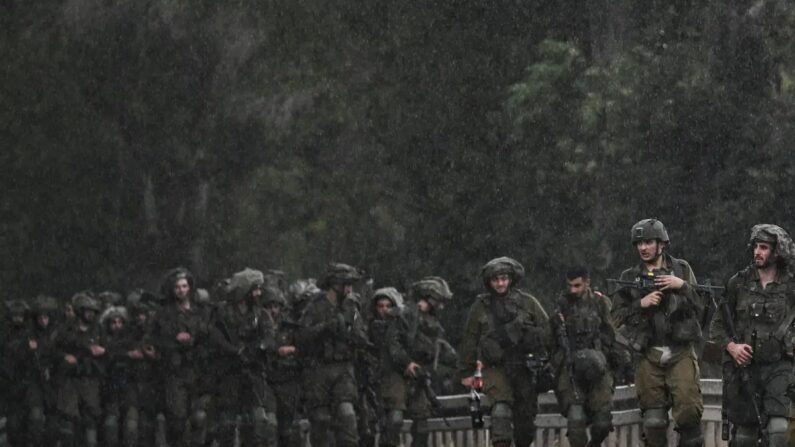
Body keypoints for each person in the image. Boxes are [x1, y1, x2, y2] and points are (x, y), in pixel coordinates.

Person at [611, 219, 704, 447]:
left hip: (680, 352)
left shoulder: (682, 269)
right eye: (639, 243)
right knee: (653, 423)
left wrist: (680, 285)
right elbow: (613, 319)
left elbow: (702, 306)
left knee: (690, 416)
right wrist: (640, 304)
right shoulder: (629, 277)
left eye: (649, 242)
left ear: (662, 244)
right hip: (648, 355)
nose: (643, 248)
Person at [710, 224, 795, 447]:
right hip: (745, 368)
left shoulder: (791, 286)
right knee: (745, 435)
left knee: (778, 430)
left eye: (764, 247)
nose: (758, 252)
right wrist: (732, 348)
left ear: (777, 252)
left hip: (779, 367)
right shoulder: (738, 283)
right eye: (756, 246)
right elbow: (717, 326)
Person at [458, 257, 550, 447]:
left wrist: (541, 355)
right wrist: (466, 372)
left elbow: (547, 332)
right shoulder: (481, 307)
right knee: (500, 412)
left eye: (504, 278)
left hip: (524, 367)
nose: (500, 283)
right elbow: (470, 340)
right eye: (495, 279)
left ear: (511, 279)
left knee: (525, 423)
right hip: (496, 368)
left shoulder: (528, 303)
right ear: (489, 282)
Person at [296, 263, 368, 447]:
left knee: (347, 416)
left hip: (343, 369)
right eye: (347, 284)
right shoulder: (315, 307)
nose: (350, 289)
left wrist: (350, 330)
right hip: (319, 370)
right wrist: (325, 327)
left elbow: (361, 337)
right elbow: (302, 336)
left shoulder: (351, 308)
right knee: (320, 420)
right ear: (335, 284)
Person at [209, 268, 277, 447]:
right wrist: (234, 351)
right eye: (255, 289)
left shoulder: (261, 314)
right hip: (229, 373)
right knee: (227, 424)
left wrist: (258, 348)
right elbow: (215, 337)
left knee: (256, 423)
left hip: (253, 373)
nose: (258, 293)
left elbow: (269, 337)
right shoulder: (223, 313)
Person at [382, 278, 454, 447]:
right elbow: (393, 344)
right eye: (439, 301)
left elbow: (439, 351)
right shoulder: (403, 314)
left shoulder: (433, 323)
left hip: (419, 374)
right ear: (430, 298)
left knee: (422, 423)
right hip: (397, 372)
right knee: (395, 419)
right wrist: (406, 363)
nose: (441, 306)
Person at [551, 267, 617, 447]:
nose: (573, 290)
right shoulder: (562, 305)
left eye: (577, 285)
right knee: (576, 419)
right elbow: (551, 339)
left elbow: (613, 334)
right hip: (571, 366)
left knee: (603, 422)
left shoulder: (600, 303)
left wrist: (620, 360)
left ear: (587, 282)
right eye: (570, 286)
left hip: (598, 365)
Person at [148, 267, 211, 447]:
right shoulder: (164, 314)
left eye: (184, 286)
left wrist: (195, 338)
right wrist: (175, 340)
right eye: (177, 287)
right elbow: (155, 339)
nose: (181, 290)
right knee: (177, 420)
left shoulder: (200, 312)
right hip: (174, 371)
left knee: (199, 417)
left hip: (196, 370)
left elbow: (208, 337)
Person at [55, 292, 105, 447]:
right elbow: (53, 350)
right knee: (69, 421)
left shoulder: (98, 329)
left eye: (93, 311)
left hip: (90, 378)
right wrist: (64, 356)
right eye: (87, 310)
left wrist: (103, 351)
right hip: (70, 379)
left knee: (91, 420)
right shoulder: (66, 329)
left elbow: (109, 350)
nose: (90, 314)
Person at [263, 286, 303, 447]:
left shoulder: (289, 327)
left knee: (287, 430)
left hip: (288, 382)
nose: (273, 311)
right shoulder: (258, 326)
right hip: (266, 381)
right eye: (269, 307)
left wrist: (293, 349)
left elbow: (305, 349)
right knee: (269, 425)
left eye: (276, 306)